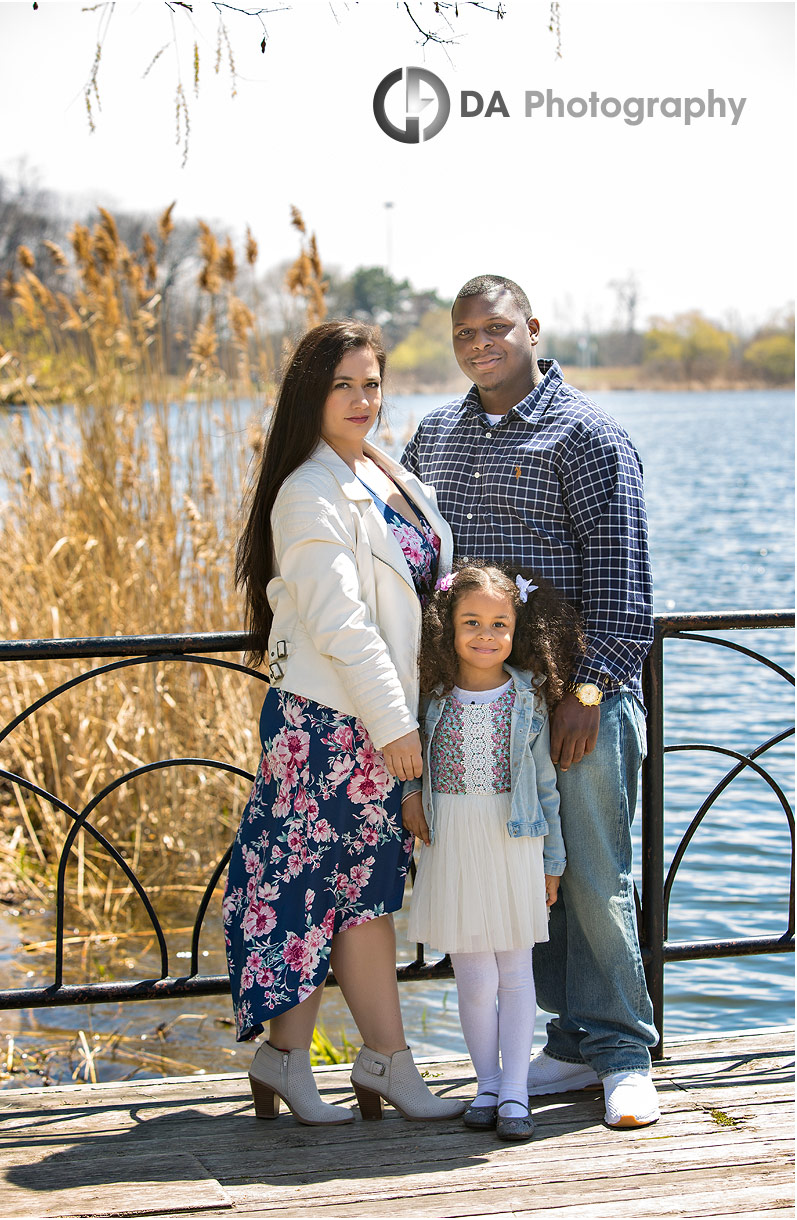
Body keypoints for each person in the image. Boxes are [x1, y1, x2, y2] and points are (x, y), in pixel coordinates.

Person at [401, 275, 660, 1129]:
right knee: (524, 879)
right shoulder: (435, 434)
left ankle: (623, 1051)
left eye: (495, 327)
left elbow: (626, 590)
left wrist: (583, 692)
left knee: (589, 878)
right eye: (464, 332)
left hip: (577, 699)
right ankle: (567, 1047)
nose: (479, 342)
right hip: (480, 710)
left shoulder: (588, 436)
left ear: (532, 329)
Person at [224, 319, 464, 1127]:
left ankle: (332, 1061)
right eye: (345, 386)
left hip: (375, 723)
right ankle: (331, 1061)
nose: (364, 399)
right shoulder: (306, 490)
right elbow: (341, 623)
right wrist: (396, 727)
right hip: (330, 727)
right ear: (311, 394)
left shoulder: (381, 468)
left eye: (372, 383)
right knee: (318, 895)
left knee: (361, 895)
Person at [402, 561, 585, 1141]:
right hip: (453, 842)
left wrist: (552, 861)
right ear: (448, 628)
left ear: (516, 629)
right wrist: (410, 797)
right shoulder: (432, 699)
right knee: (473, 973)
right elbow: (411, 767)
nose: (486, 635)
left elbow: (547, 785)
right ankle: (484, 1083)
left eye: (500, 624)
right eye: (472, 622)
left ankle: (515, 1092)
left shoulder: (527, 698)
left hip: (514, 841)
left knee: (514, 969)